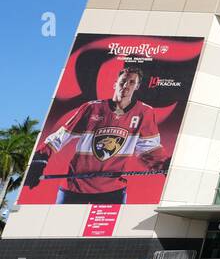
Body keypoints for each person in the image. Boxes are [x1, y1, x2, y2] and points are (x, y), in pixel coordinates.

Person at [24, 66, 170, 204]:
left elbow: (148, 148)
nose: (126, 85)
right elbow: (60, 137)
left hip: (112, 190)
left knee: (108, 231)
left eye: (132, 82)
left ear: (137, 87)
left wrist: (165, 164)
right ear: (115, 83)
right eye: (123, 81)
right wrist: (39, 160)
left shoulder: (144, 112)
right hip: (75, 186)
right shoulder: (91, 108)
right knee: (59, 229)